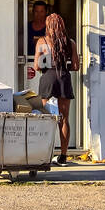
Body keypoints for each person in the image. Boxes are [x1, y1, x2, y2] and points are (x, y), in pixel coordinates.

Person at [34, 12, 76, 164]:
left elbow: (37, 65)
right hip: (63, 78)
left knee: (45, 117)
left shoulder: (42, 41)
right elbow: (76, 66)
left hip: (48, 78)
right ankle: (63, 156)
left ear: (48, 26)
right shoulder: (70, 42)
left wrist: (47, 62)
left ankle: (44, 154)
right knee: (64, 119)